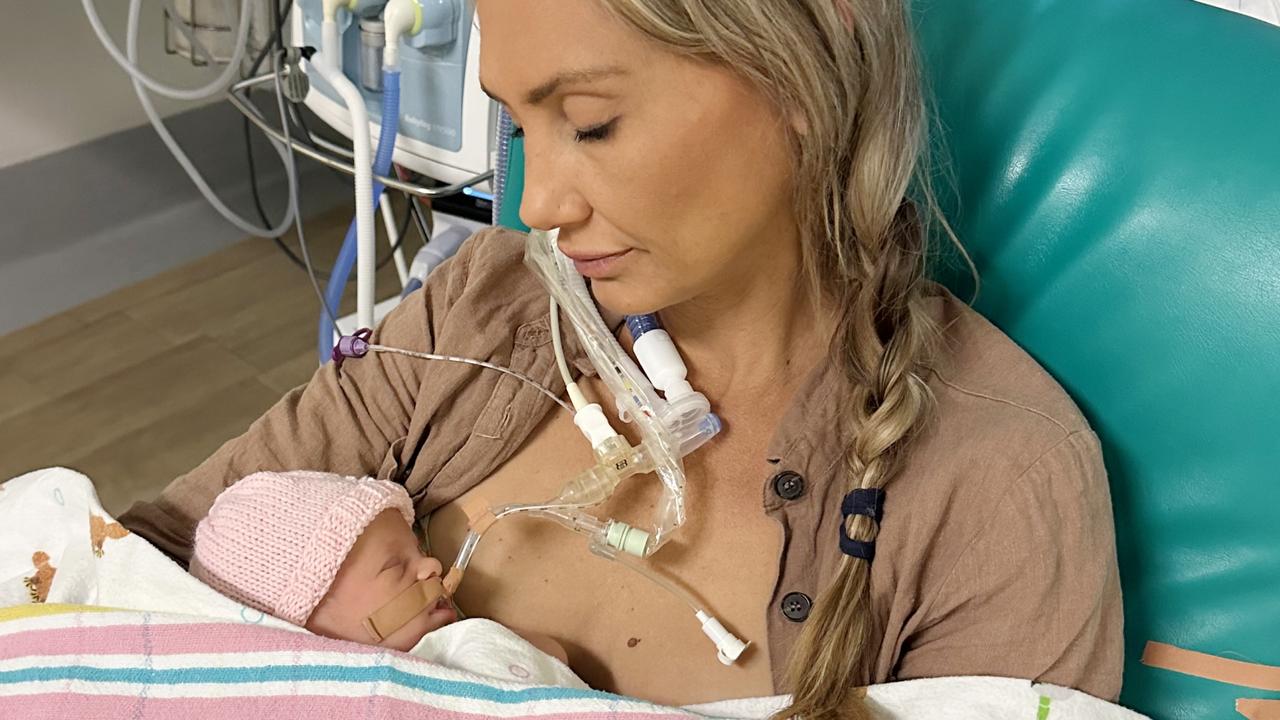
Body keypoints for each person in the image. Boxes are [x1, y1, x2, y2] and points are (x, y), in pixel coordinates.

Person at [120, 0, 1124, 717]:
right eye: (518, 124)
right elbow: (137, 570)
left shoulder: (996, 482)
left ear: (804, 75)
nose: (534, 208)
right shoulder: (486, 308)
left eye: (590, 123)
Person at [189, 471, 585, 688]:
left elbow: (552, 659)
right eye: (395, 566)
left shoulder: (453, 646)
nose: (432, 566)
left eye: (417, 550)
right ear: (305, 628)